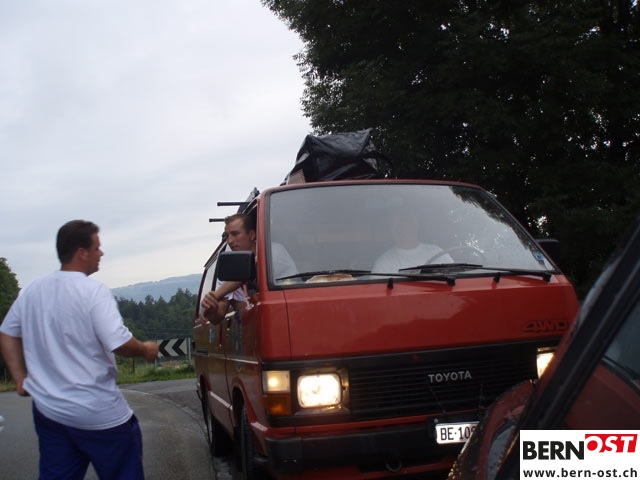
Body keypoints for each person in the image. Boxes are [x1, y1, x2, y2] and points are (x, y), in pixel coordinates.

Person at [0, 220, 159, 480]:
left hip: (50, 412)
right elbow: (117, 342)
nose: (101, 253)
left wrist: (20, 378)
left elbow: (7, 332)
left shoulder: (32, 290)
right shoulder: (93, 291)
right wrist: (144, 349)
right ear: (81, 252)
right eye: (97, 248)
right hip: (98, 412)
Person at [199, 213, 296, 324]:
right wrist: (212, 308)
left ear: (251, 235)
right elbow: (219, 316)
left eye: (235, 234)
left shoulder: (273, 251)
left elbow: (247, 269)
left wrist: (216, 295)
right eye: (227, 236)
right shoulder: (229, 268)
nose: (230, 241)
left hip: (288, 315)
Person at [372, 211, 453, 273]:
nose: (404, 228)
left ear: (417, 225)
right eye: (398, 224)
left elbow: (456, 278)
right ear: (391, 231)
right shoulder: (383, 264)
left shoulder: (437, 253)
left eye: (408, 222)